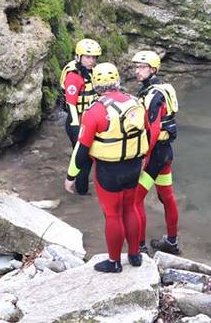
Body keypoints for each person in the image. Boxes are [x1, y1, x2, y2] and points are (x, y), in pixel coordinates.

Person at [65, 62, 148, 273]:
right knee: (130, 208)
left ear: (95, 84)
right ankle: (135, 255)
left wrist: (71, 175)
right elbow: (146, 131)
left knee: (112, 215)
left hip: (108, 170)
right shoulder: (136, 103)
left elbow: (81, 149)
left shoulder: (95, 111)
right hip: (133, 166)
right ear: (118, 81)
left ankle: (114, 262)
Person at [131, 51, 181, 255]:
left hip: (155, 155)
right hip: (166, 153)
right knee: (167, 197)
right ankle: (171, 241)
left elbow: (153, 130)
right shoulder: (163, 89)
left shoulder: (153, 95)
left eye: (142, 67)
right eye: (136, 67)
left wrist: (144, 157)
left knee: (135, 200)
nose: (137, 71)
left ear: (153, 69)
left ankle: (140, 247)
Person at [59, 38, 101, 195]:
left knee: (86, 158)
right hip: (76, 121)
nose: (91, 61)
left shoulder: (90, 72)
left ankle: (80, 187)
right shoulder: (74, 76)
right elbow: (71, 104)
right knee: (85, 159)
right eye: (88, 57)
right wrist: (77, 129)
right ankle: (82, 191)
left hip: (89, 120)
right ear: (79, 57)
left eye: (94, 57)